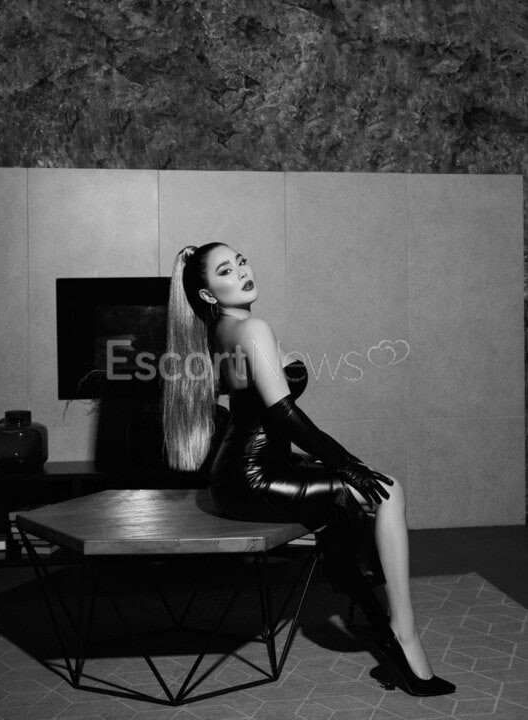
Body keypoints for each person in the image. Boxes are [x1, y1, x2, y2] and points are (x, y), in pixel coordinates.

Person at [162, 242, 456, 698]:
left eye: (241, 261)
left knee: (356, 495)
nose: (242, 271)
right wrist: (348, 466)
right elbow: (283, 414)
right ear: (207, 294)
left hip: (242, 472)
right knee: (389, 490)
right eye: (226, 270)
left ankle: (375, 614)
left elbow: (263, 406)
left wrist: (345, 466)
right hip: (255, 477)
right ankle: (403, 634)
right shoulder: (251, 328)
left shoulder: (224, 329)